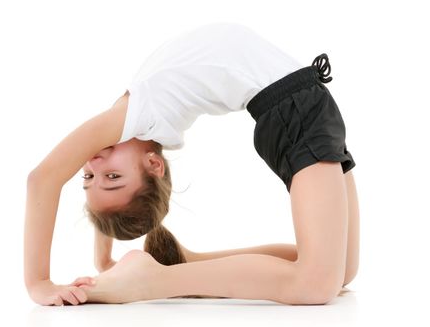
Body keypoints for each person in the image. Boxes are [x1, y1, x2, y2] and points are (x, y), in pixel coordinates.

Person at [24, 22, 360, 306]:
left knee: (340, 271)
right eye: (109, 176)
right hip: (296, 110)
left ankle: (182, 266)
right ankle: (158, 280)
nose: (94, 161)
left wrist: (45, 279)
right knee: (321, 281)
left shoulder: (131, 114)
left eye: (88, 176)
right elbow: (78, 186)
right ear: (154, 165)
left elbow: (43, 179)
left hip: (300, 106)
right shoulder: (141, 122)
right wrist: (78, 270)